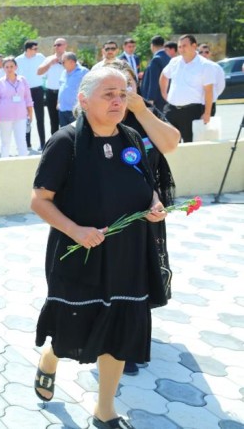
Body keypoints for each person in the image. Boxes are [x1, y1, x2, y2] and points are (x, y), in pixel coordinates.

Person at [30, 68, 168, 429]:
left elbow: (146, 184)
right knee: (74, 328)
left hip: (129, 255)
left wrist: (153, 204)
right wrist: (75, 230)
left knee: (120, 331)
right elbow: (40, 200)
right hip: (81, 253)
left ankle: (104, 409)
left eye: (122, 93)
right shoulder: (65, 142)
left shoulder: (133, 139)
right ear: (83, 99)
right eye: (108, 94)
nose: (118, 101)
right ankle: (50, 357)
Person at [104, 60, 181, 376]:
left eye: (127, 88)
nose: (120, 97)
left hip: (147, 211)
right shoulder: (101, 118)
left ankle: (132, 344)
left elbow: (170, 144)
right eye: (113, 90)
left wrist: (142, 109)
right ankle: (110, 339)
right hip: (108, 213)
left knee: (142, 274)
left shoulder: (145, 117)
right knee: (111, 277)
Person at [159, 34, 216, 143]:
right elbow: (164, 76)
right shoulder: (174, 62)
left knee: (190, 144)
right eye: (179, 46)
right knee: (168, 142)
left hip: (191, 111)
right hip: (171, 110)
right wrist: (164, 94)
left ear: (194, 46)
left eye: (184, 46)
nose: (181, 49)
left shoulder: (205, 65)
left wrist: (207, 113)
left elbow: (209, 90)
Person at [0, 56, 33, 157]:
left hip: (21, 116)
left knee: (22, 141)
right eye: (7, 67)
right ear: (3, 68)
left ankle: (24, 164)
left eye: (11, 66)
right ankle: (4, 163)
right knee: (5, 142)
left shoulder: (23, 80)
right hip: (4, 117)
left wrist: (30, 113)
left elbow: (28, 98)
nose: (9, 69)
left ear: (16, 67)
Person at [15, 40, 46, 150]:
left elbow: (46, 69)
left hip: (38, 90)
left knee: (40, 117)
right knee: (26, 117)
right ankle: (27, 143)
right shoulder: (18, 60)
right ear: (28, 49)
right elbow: (15, 76)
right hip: (24, 91)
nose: (37, 51)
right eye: (35, 49)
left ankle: (43, 143)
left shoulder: (40, 57)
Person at [37, 38, 67, 136]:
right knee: (53, 121)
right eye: (55, 45)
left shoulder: (70, 58)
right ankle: (55, 144)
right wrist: (50, 63)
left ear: (65, 45)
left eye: (59, 45)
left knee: (65, 120)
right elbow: (39, 72)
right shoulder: (49, 59)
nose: (56, 47)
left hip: (64, 94)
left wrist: (63, 63)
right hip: (51, 93)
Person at [57, 52, 88, 127]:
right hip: (63, 109)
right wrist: (58, 102)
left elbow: (88, 89)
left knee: (76, 132)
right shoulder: (63, 72)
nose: (61, 64)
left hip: (75, 110)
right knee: (64, 133)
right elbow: (61, 88)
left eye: (63, 62)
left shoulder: (83, 72)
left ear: (71, 62)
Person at [141, 35, 170, 112]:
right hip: (166, 97)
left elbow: (153, 81)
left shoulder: (156, 59)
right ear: (163, 45)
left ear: (152, 45)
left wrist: (150, 100)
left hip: (156, 100)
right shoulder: (168, 58)